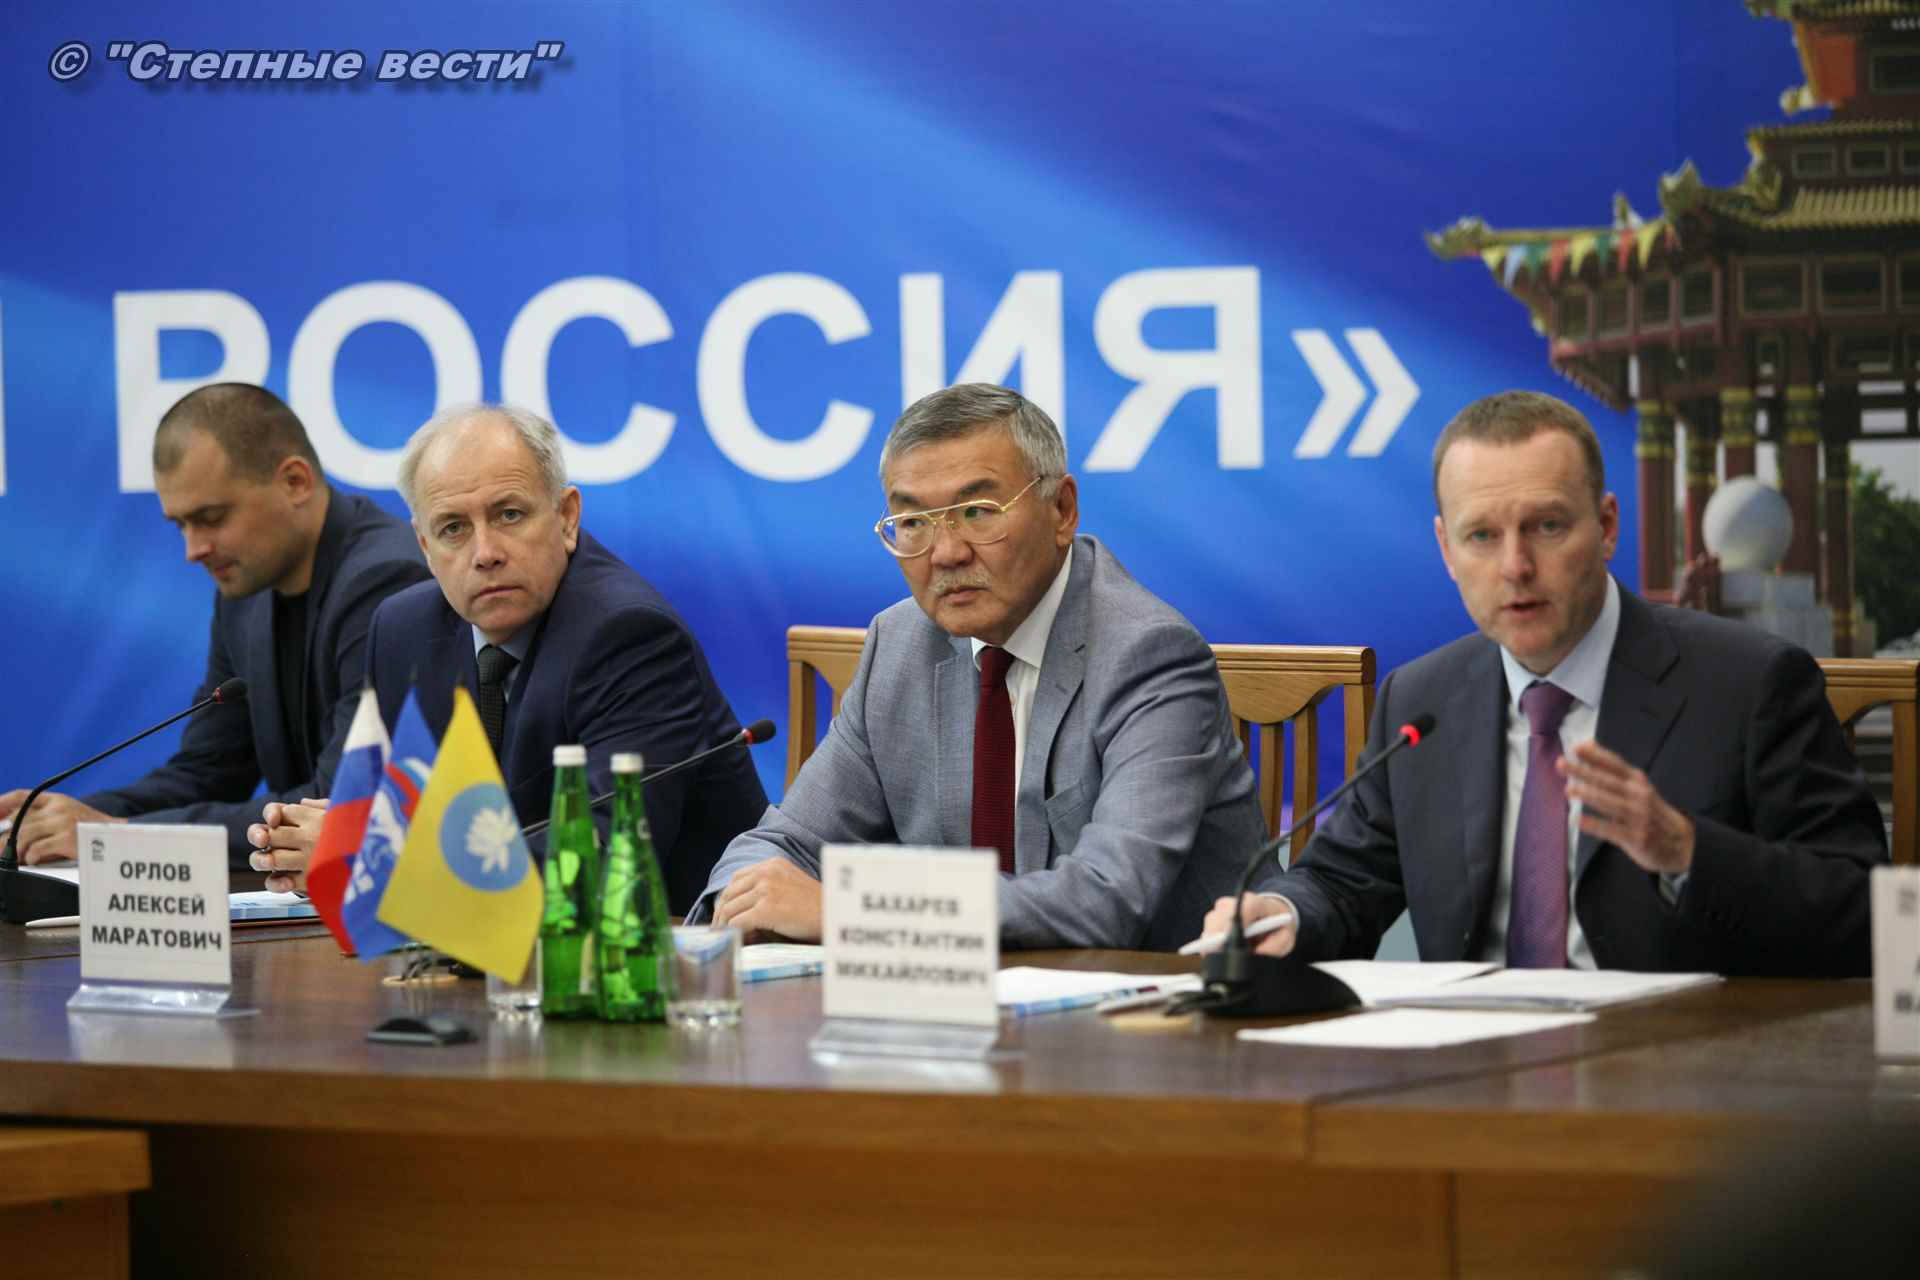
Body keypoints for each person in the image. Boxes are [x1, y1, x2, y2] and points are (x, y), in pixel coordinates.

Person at [1202, 390, 1886, 976]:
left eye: (1547, 526)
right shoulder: (1421, 700)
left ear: (1607, 526)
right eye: (1481, 536)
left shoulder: (1751, 684)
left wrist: (1688, 853)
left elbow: (1863, 910)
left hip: (1675, 1066)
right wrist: (1283, 913)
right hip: (1470, 1063)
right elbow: (1342, 881)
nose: (1516, 566)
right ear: (1445, 549)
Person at [695, 382, 1270, 950]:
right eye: (913, 523)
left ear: (1062, 510)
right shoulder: (898, 644)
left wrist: (855, 911)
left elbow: (1106, 898)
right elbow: (783, 845)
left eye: (977, 512)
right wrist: (746, 906)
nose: (946, 553)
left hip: (1162, 996)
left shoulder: (1149, 654)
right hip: (958, 996)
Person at [250, 403, 765, 916]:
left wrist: (369, 856)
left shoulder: (630, 636)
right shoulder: (402, 630)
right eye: (453, 528)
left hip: (668, 946)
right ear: (425, 547)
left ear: (566, 517)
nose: (485, 553)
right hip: (478, 945)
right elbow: (390, 810)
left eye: (509, 515)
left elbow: (602, 862)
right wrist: (312, 845)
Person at [0, 384, 427, 868]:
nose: (193, 549)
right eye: (181, 524)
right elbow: (208, 772)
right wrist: (61, 822)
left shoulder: (387, 582)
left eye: (211, 517)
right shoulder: (244, 596)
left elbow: (339, 805)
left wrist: (117, 837)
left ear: (295, 482)